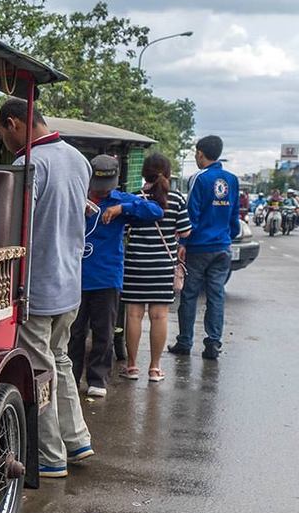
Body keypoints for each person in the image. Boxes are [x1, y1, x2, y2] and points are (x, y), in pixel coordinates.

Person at [0, 97, 93, 479]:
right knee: (61, 359)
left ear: (14, 123)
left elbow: (15, 227)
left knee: (40, 368)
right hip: (70, 283)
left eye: (3, 132)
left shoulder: (28, 165)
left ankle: (51, 455)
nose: (5, 140)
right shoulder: (77, 158)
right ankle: (77, 438)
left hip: (37, 285)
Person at [70, 154, 163, 398]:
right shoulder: (76, 196)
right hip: (75, 276)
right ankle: (69, 378)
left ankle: (97, 378)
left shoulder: (120, 200)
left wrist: (123, 208)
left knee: (104, 331)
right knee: (74, 331)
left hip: (107, 277)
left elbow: (155, 211)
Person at [169, 135, 239, 361]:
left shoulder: (198, 178)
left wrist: (183, 243)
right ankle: (213, 343)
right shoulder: (232, 179)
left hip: (199, 247)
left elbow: (192, 214)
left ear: (200, 153)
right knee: (216, 295)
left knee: (189, 295)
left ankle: (185, 341)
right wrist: (228, 236)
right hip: (222, 247)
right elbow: (234, 215)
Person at [121, 152, 190, 382]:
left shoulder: (133, 198)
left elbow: (123, 231)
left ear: (144, 173)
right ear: (168, 173)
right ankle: (154, 368)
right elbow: (186, 231)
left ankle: (131, 367)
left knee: (133, 314)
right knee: (159, 316)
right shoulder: (177, 199)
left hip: (135, 264)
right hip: (162, 265)